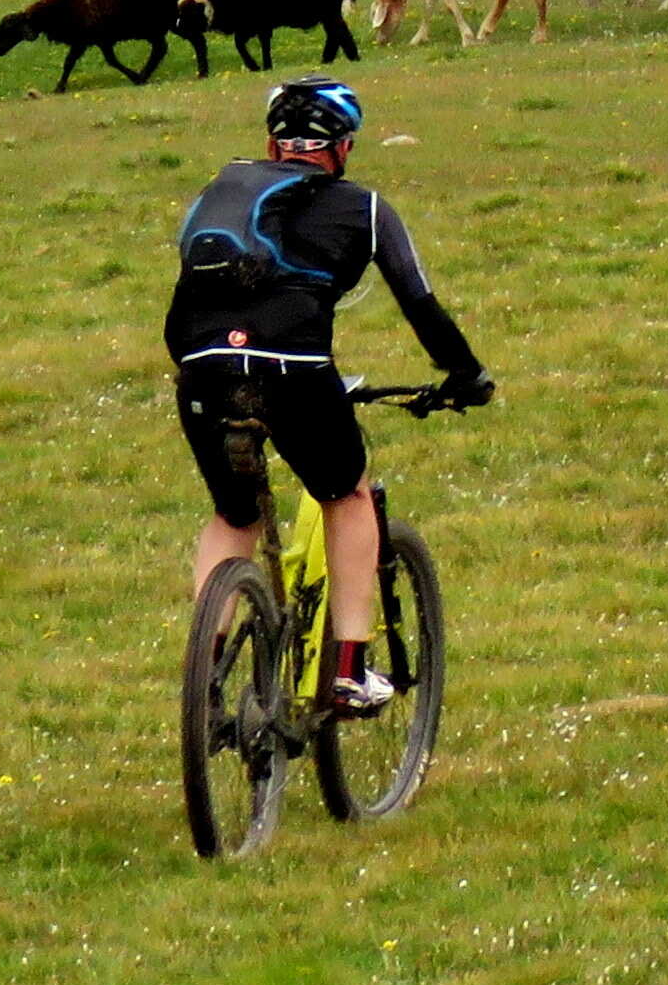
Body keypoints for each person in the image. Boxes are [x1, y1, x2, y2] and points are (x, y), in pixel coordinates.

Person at [168, 78, 493, 714]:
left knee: (234, 515)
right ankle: (348, 668)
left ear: (271, 144)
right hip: (294, 371)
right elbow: (419, 302)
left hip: (202, 369)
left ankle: (201, 676)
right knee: (346, 494)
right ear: (343, 148)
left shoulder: (219, 196)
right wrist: (465, 375)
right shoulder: (364, 206)